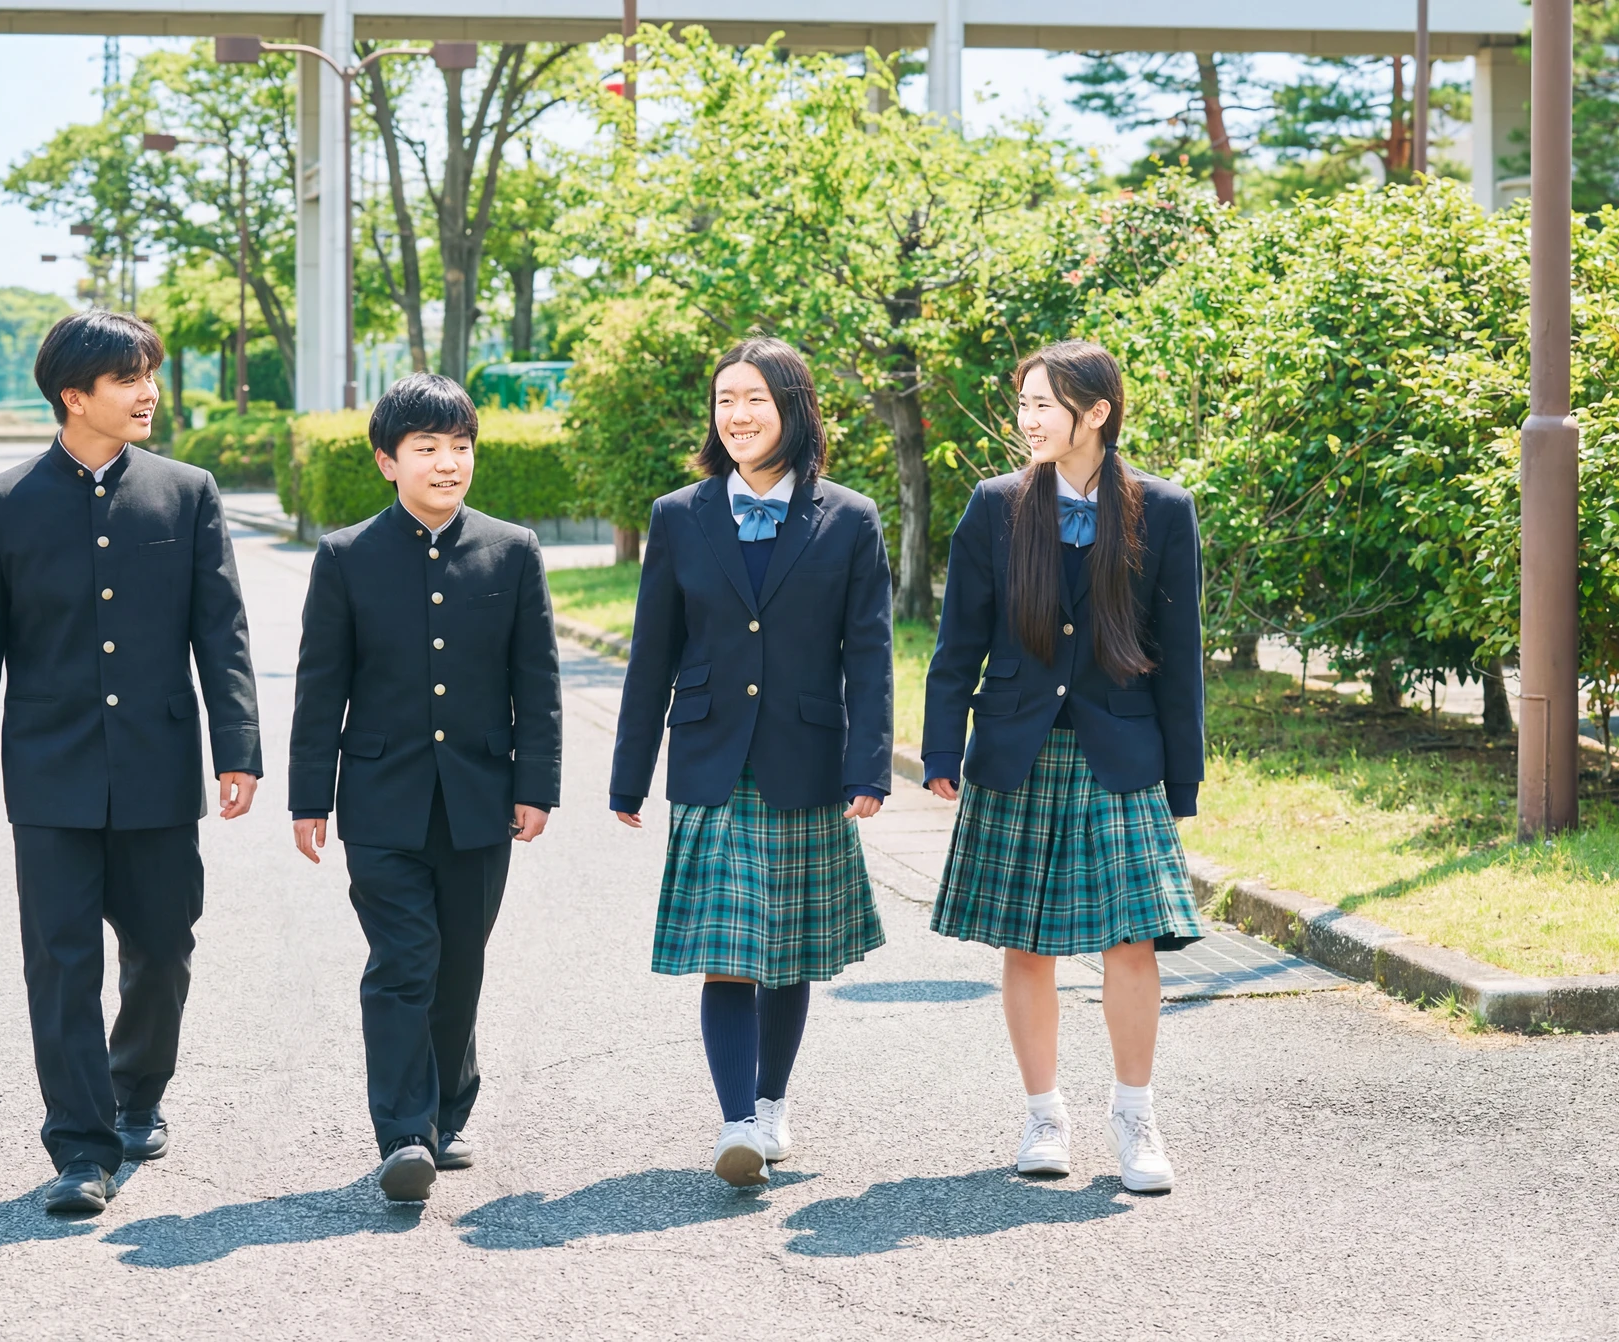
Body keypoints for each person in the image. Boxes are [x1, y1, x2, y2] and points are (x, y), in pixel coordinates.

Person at [0, 309, 262, 1215]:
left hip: (160, 766)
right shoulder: (0, 504)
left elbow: (222, 633)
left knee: (163, 949)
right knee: (61, 962)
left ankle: (136, 1094)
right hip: (50, 771)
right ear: (74, 397)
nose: (149, 392)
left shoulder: (187, 493)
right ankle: (81, 1148)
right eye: (128, 379)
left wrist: (237, 748)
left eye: (150, 373)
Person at [610, 337, 894, 1188]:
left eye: (755, 400)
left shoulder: (850, 518)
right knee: (728, 946)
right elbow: (651, 655)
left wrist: (869, 767)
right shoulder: (678, 515)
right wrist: (629, 774)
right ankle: (736, 1122)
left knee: (789, 947)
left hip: (805, 758)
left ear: (792, 410)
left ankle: (771, 1104)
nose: (737, 415)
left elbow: (870, 655)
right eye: (725, 400)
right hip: (712, 759)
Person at [923, 339, 1205, 1192]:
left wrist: (1182, 780)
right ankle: (1044, 1114)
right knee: (1025, 944)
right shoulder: (995, 506)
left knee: (1132, 943)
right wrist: (940, 749)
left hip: (1121, 752)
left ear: (1097, 412)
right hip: (1018, 749)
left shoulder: (1164, 508)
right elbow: (957, 643)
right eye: (1024, 404)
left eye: (1044, 404)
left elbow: (1180, 657)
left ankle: (1135, 1117)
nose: (1029, 419)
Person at [289, 372, 561, 1204]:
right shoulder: (346, 557)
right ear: (387, 461)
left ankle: (448, 1109)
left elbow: (537, 682)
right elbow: (320, 686)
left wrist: (537, 785)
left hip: (481, 798)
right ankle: (405, 1133)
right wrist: (309, 799)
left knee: (459, 964)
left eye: (461, 447)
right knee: (404, 960)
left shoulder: (513, 551)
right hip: (381, 799)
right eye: (427, 448)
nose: (448, 463)